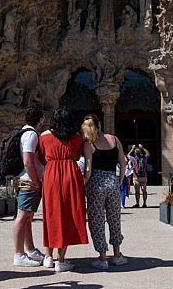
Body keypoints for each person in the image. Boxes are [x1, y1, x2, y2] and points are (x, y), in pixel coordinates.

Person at [38, 107, 88, 272]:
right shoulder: (76, 137)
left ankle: (48, 256)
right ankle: (61, 259)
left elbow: (42, 157)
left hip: (51, 174)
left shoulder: (44, 136)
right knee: (67, 215)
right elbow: (77, 156)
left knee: (51, 214)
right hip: (70, 174)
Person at [81, 114, 128, 270]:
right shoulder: (114, 139)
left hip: (95, 183)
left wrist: (84, 183)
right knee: (114, 218)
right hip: (112, 181)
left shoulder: (89, 144)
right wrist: (119, 180)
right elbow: (123, 162)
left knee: (97, 220)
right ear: (99, 123)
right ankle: (117, 254)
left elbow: (87, 168)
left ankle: (102, 258)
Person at [12, 105, 46, 268]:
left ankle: (30, 249)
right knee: (22, 217)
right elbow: (28, 161)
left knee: (27, 217)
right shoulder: (31, 134)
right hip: (29, 181)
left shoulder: (22, 132)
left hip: (24, 179)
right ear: (40, 119)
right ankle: (19, 254)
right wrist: (36, 181)